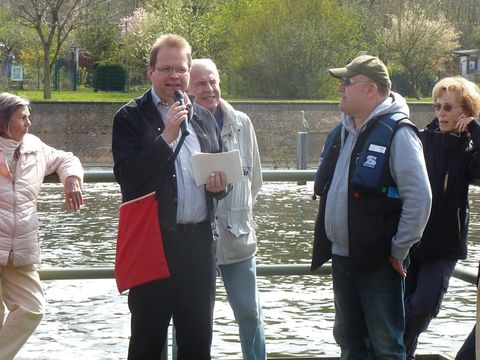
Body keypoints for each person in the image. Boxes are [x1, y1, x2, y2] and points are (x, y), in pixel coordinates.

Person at [111, 34, 228, 360]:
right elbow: (128, 178)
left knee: (197, 343)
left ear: (188, 72)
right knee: (147, 342)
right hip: (154, 245)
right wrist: (166, 138)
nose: (174, 76)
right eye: (165, 69)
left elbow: (218, 175)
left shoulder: (203, 117)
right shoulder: (130, 117)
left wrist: (220, 186)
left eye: (180, 69)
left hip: (199, 247)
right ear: (150, 72)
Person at [310, 55, 432, 359]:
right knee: (350, 343)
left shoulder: (399, 133)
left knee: (387, 345)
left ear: (370, 89)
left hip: (379, 262)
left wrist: (399, 248)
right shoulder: (344, 131)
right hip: (342, 257)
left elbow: (420, 197)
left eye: (347, 82)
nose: (340, 89)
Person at [187, 58, 266, 360]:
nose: (209, 89)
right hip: (194, 240)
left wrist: (238, 214)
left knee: (250, 315)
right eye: (201, 84)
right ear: (188, 88)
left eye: (213, 82)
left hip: (237, 237)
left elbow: (254, 180)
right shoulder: (180, 123)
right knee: (191, 321)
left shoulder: (241, 123)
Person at [0, 92, 84, 360]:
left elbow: (66, 158)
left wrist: (71, 178)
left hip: (20, 251)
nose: (29, 123)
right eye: (22, 118)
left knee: (33, 308)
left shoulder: (34, 148)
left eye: (28, 117)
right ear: (3, 121)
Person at [404, 76, 480, 359]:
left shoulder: (468, 150)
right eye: (437, 106)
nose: (441, 113)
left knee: (421, 307)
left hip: (444, 249)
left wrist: (475, 130)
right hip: (411, 243)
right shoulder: (420, 141)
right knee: (402, 309)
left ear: (466, 111)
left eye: (449, 108)